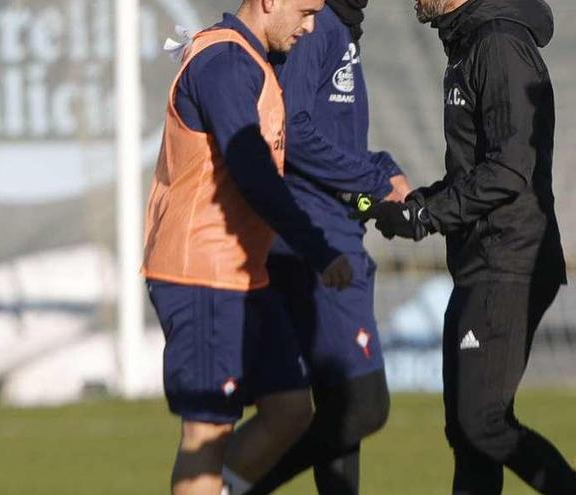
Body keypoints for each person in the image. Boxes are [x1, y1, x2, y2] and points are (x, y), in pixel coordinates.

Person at [353, 0, 576, 493]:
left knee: (483, 422)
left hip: (510, 259)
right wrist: (416, 207)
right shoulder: (469, 44)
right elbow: (475, 173)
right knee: (468, 433)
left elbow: (509, 168)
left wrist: (426, 214)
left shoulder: (499, 43)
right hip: (480, 259)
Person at [141, 0, 355, 493]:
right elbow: (253, 171)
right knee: (207, 431)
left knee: (289, 409)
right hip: (200, 273)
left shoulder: (252, 60)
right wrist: (318, 248)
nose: (310, 26)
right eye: (303, 11)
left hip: (242, 274)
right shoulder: (225, 62)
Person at [232, 1, 411, 493]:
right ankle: (229, 482)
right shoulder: (320, 24)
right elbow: (294, 131)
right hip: (315, 239)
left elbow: (328, 135)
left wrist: (379, 167)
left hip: (327, 230)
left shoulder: (337, 26)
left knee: (338, 406)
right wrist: (373, 179)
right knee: (363, 403)